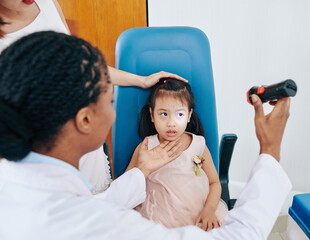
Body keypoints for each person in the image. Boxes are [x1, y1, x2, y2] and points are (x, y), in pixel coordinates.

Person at [0, 31, 292, 239]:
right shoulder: (100, 225)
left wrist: (142, 171)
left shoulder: (18, 190)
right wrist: (270, 150)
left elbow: (93, 207)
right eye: (110, 100)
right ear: (86, 119)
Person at [0, 0, 186, 193]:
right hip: (44, 150)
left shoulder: (47, 4)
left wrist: (141, 80)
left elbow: (80, 64)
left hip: (82, 142)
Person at [126, 78, 228, 230]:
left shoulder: (198, 145)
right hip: (159, 218)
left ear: (189, 115)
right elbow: (126, 185)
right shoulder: (146, 147)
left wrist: (209, 210)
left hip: (198, 215)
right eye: (163, 114)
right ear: (152, 115)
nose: (171, 123)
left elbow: (214, 183)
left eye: (179, 114)